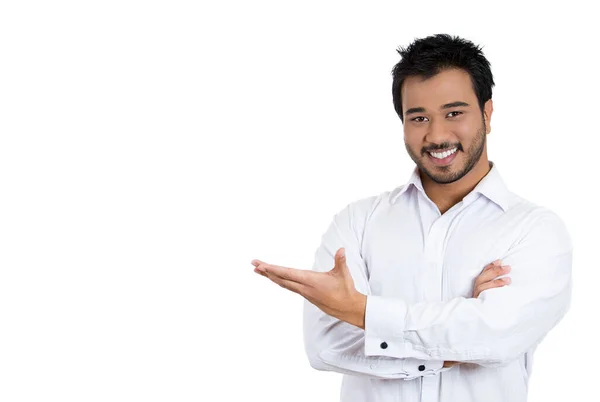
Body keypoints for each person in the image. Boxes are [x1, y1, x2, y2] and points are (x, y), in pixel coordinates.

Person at [251, 33, 573, 402]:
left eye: (454, 113)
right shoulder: (357, 222)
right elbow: (325, 346)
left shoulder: (536, 230)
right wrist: (459, 333)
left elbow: (497, 337)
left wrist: (362, 312)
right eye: (418, 117)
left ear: (487, 113)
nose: (436, 135)